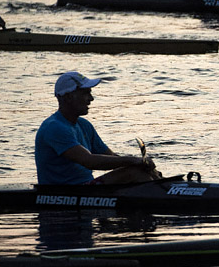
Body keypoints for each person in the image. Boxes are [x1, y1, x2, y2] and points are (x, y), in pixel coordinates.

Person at [34, 71, 162, 186]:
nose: (91, 99)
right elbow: (89, 161)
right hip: (63, 191)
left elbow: (111, 157)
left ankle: (161, 188)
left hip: (85, 187)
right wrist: (134, 161)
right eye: (85, 93)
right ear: (68, 97)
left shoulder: (84, 125)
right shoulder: (54, 127)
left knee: (141, 170)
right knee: (134, 173)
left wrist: (144, 165)